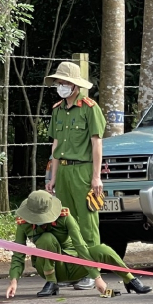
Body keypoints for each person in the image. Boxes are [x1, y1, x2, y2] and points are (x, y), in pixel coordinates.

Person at [5, 190, 151, 298]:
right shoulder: (23, 224)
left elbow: (80, 246)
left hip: (75, 263)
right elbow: (18, 254)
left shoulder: (65, 217)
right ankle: (51, 283)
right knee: (46, 238)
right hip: (48, 268)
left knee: (103, 249)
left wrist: (97, 278)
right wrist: (14, 281)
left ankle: (130, 280)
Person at [44, 61, 106, 290]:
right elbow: (56, 144)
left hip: (83, 170)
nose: (61, 86)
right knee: (66, 223)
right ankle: (74, 270)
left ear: (75, 85)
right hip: (63, 172)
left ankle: (93, 271)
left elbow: (97, 144)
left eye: (65, 82)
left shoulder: (90, 108)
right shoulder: (57, 110)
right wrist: (52, 177)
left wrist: (96, 177)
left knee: (88, 224)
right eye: (59, 82)